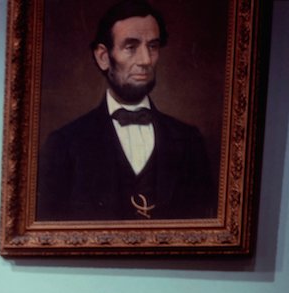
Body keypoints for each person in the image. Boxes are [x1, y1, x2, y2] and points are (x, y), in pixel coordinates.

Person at [36, 0, 216, 221]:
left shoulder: (189, 141)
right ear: (103, 57)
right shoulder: (65, 144)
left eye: (153, 46)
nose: (146, 60)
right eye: (131, 47)